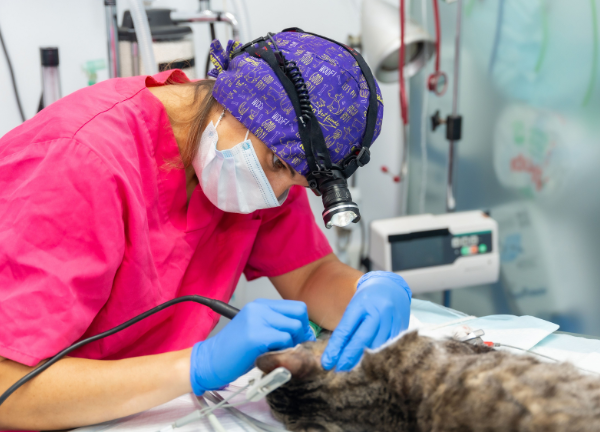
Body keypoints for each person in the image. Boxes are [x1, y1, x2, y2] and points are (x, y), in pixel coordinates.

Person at [0, 30, 411, 430]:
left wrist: (367, 291)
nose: (277, 195)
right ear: (238, 103)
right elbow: (8, 389)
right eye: (279, 168)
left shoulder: (260, 152)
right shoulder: (82, 162)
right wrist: (197, 365)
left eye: (296, 182)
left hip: (153, 408)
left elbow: (309, 274)